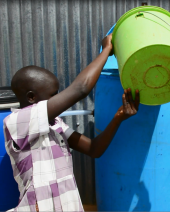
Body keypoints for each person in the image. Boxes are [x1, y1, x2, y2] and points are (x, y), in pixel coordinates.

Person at [4, 34, 140, 212]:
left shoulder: (55, 124)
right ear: (31, 97)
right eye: (54, 95)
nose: (60, 99)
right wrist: (106, 50)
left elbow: (94, 149)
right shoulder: (16, 122)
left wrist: (118, 117)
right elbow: (81, 89)